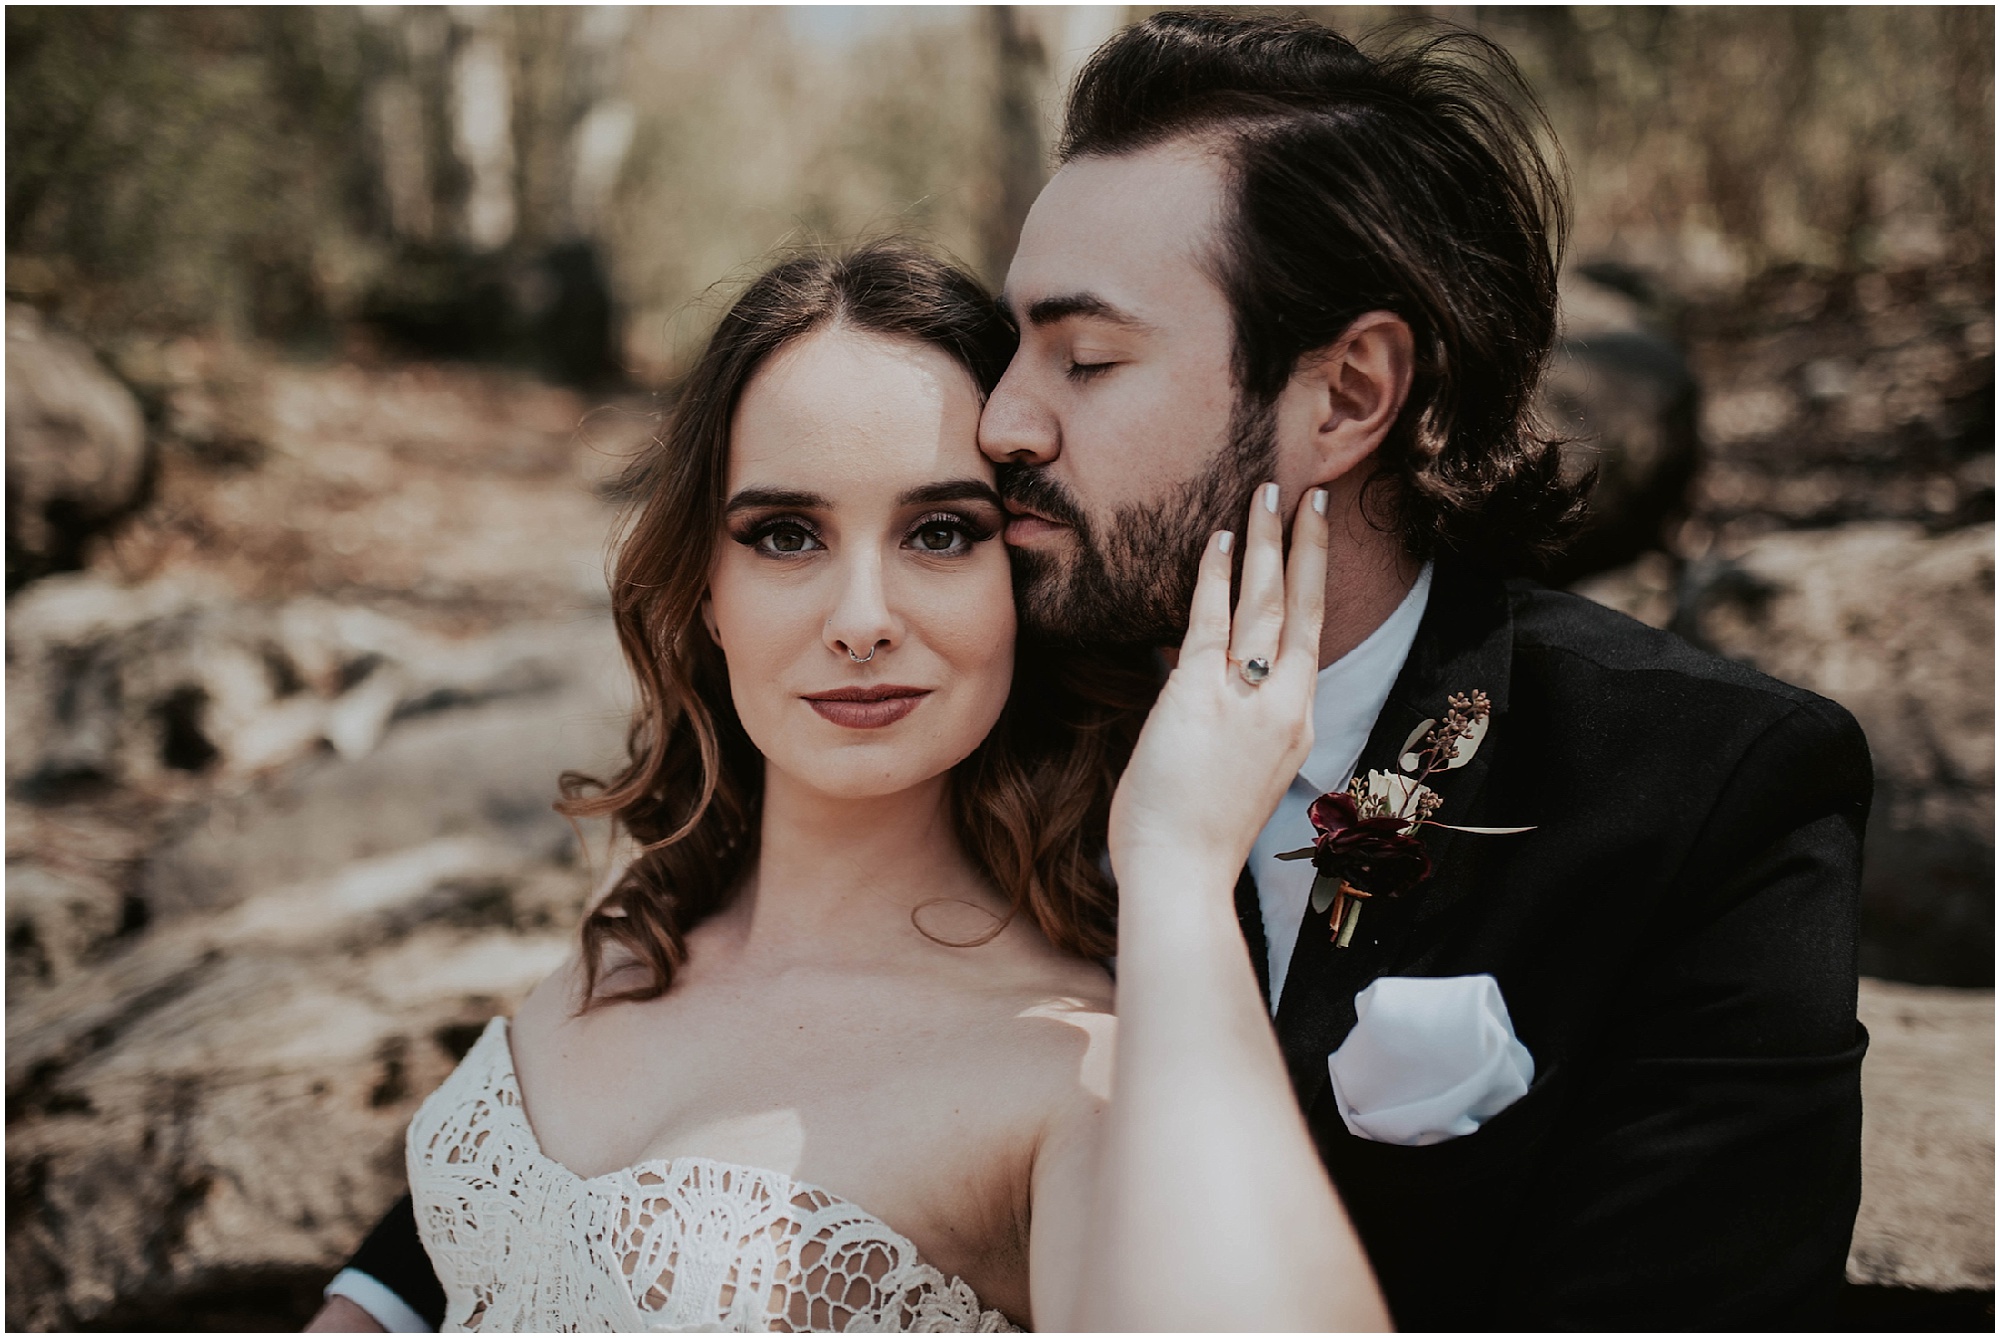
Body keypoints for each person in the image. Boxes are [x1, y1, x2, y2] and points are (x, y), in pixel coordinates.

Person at [321, 11, 1870, 1331]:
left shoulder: (1698, 791)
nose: (1004, 422)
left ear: (1347, 393)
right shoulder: (1000, 668)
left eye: (1086, 356)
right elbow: (683, 1057)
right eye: (1013, 349)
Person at [315, 239, 1385, 1332]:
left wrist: (1176, 869)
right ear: (708, 590)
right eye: (785, 536)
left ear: (1020, 582)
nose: (862, 620)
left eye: (940, 533)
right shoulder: (643, 928)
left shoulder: (1075, 1077)